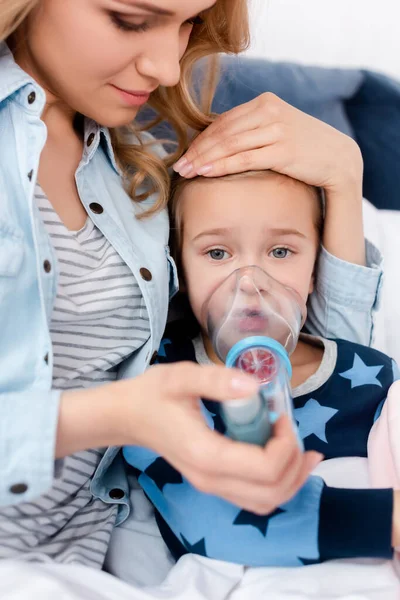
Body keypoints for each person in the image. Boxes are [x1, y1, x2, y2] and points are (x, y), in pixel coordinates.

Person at [0, 0, 383, 585]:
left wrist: (344, 173)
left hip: (99, 558)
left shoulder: (144, 167)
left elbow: (305, 363)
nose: (169, 68)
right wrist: (114, 417)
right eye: (130, 19)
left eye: (187, 25)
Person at [123, 170, 400, 568]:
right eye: (217, 253)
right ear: (179, 271)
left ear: (316, 270)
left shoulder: (371, 374)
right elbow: (214, 526)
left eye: (281, 252)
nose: (250, 283)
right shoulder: (161, 377)